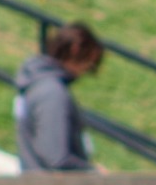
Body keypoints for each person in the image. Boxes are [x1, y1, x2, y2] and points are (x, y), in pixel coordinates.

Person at [13, 23, 104, 172]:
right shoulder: (52, 93)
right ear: (75, 50)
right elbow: (55, 157)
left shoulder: (36, 86)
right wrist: (92, 171)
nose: (85, 72)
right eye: (89, 64)